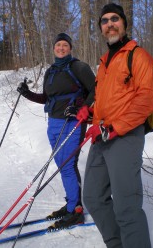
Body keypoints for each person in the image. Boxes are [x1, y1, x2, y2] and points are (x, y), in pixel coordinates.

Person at [83, 3, 153, 248]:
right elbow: (108, 100)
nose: (109, 24)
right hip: (101, 136)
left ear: (124, 23)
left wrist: (114, 127)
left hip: (125, 135)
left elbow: (146, 99)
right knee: (93, 198)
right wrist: (90, 112)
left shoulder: (138, 56)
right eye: (104, 21)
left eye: (114, 19)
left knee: (126, 205)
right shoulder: (104, 62)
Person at [17, 32, 95, 230]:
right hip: (53, 123)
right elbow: (47, 98)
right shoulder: (50, 71)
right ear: (53, 48)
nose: (61, 48)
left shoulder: (78, 67)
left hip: (72, 122)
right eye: (58, 45)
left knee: (68, 165)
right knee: (62, 165)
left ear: (70, 48)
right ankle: (71, 203)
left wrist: (82, 108)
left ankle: (75, 211)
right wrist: (27, 94)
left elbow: (97, 89)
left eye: (65, 45)